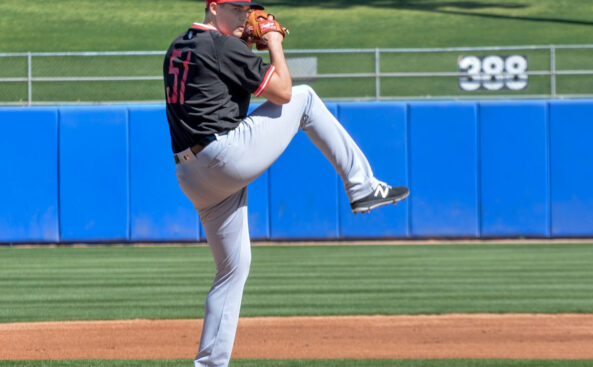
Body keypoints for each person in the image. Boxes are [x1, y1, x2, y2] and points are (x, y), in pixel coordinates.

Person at [162, 0, 409, 365]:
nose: (245, 15)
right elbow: (283, 92)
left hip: (191, 174)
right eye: (237, 8)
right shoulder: (222, 45)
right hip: (222, 156)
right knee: (305, 98)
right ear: (214, 7)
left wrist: (245, 44)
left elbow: (218, 86)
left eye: (248, 8)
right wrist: (275, 40)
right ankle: (362, 187)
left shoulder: (179, 46)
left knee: (233, 269)